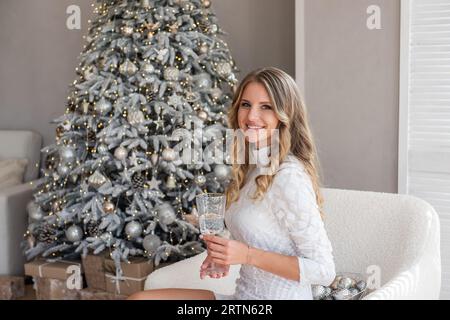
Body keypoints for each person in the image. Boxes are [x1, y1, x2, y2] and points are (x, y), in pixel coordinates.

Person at [127, 67, 336, 300]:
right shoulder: (252, 167)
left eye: (265, 107)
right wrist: (223, 255)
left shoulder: (289, 177)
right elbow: (264, 232)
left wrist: (247, 255)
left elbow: (324, 271)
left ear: (285, 114)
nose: (251, 117)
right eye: (246, 105)